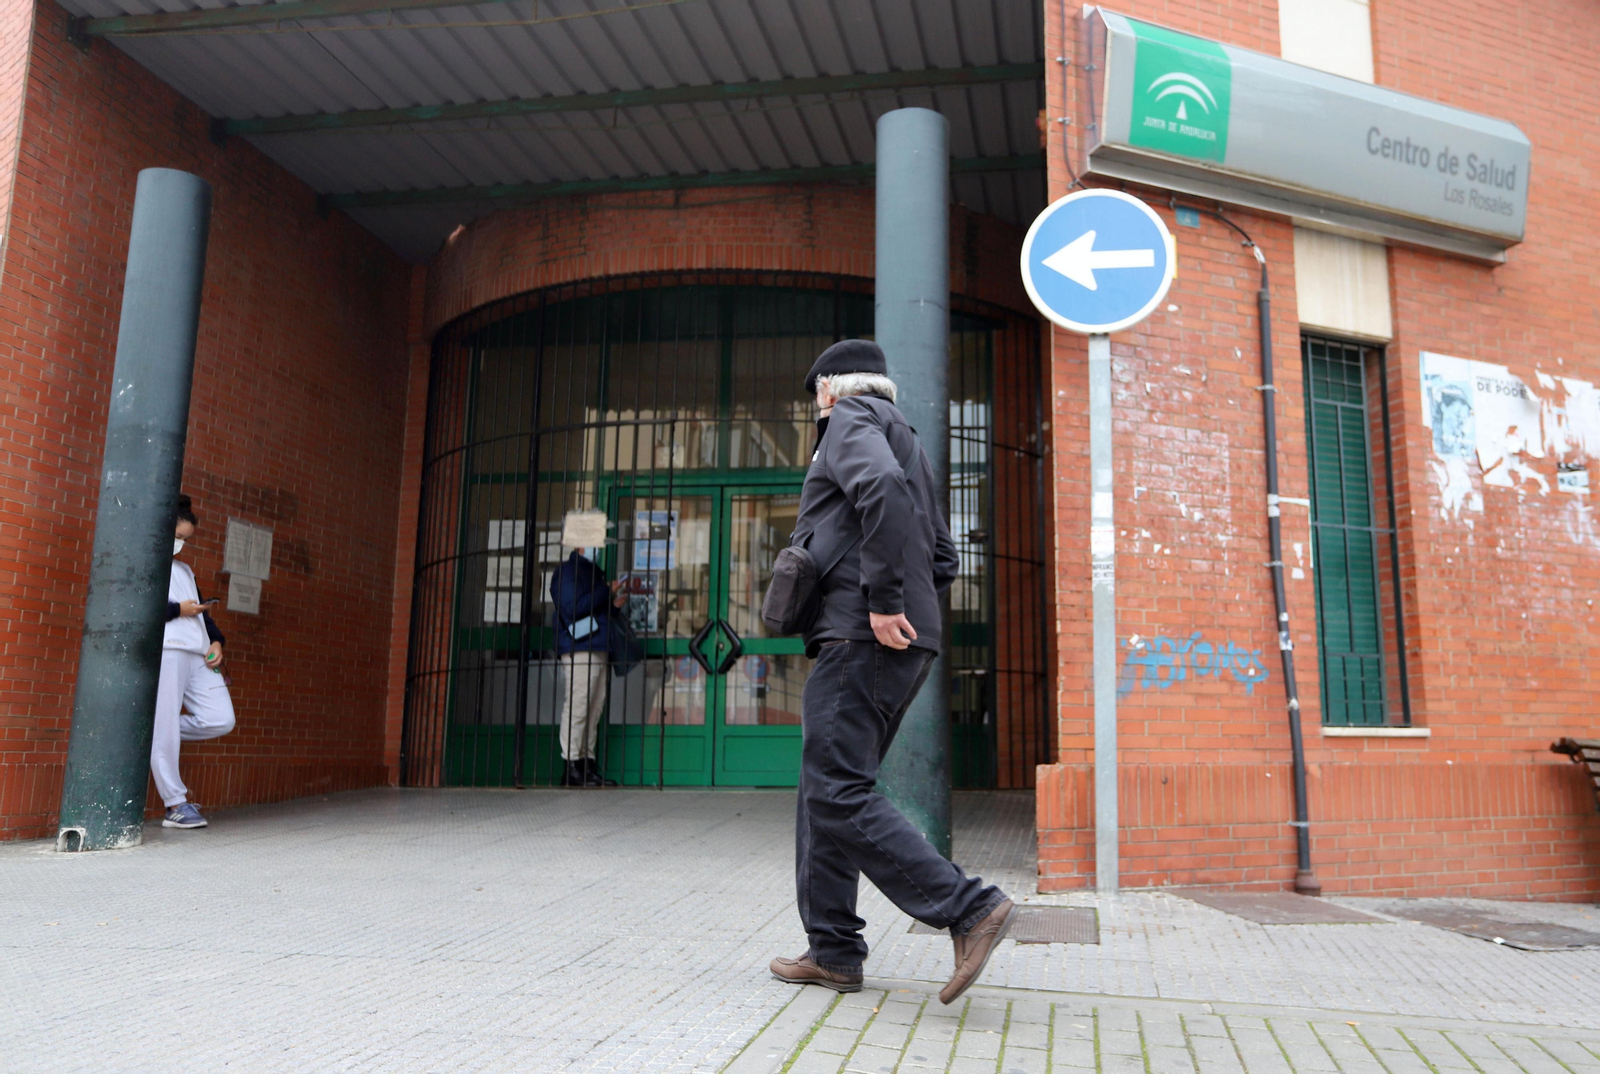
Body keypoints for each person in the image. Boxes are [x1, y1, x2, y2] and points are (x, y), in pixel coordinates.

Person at [769, 339, 1015, 1004]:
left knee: (836, 789)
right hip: (898, 641)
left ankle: (968, 907)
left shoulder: (849, 421)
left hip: (861, 636)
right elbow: (943, 555)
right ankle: (834, 951)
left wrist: (880, 605)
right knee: (825, 790)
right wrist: (908, 614)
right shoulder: (904, 435)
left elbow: (878, 491)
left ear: (827, 389)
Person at [152, 494, 236, 829]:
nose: (180, 545)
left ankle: (154, 732)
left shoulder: (184, 569)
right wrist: (178, 610)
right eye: (177, 537)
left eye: (185, 539)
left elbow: (203, 614)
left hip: (199, 652)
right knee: (164, 727)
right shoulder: (143, 561)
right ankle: (176, 804)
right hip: (169, 649)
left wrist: (217, 640)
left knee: (220, 719)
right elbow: (135, 611)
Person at [550, 541, 624, 788]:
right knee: (579, 703)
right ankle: (571, 764)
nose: (598, 546)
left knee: (594, 706)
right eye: (594, 542)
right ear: (580, 544)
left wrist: (612, 607)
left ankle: (586, 763)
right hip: (580, 647)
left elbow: (595, 611)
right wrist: (605, 590)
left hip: (598, 645)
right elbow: (573, 608)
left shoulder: (593, 571)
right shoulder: (567, 572)